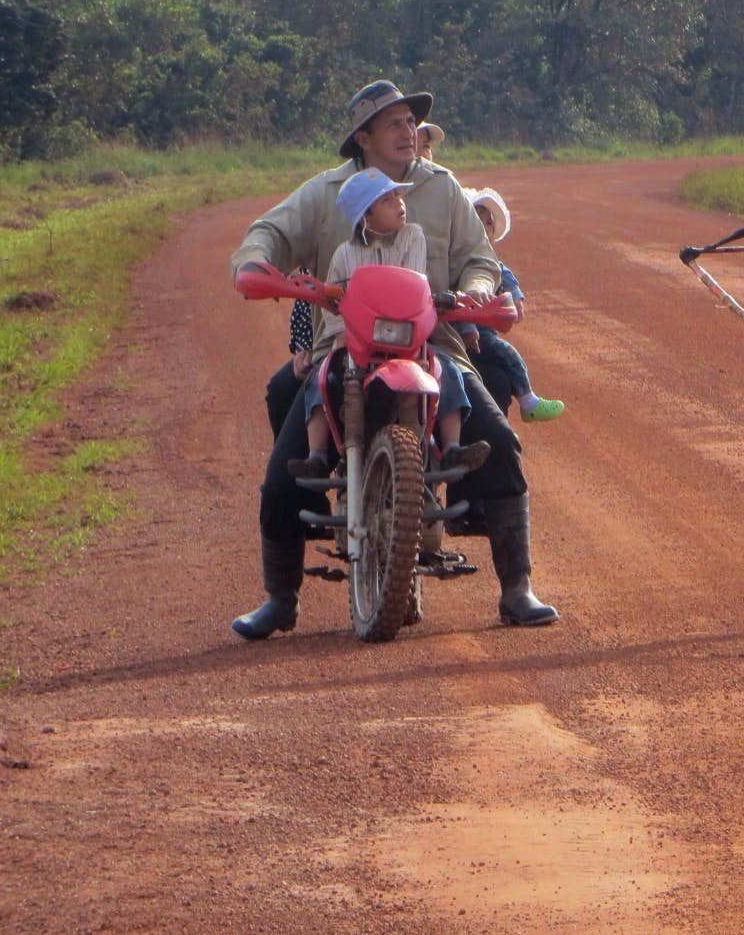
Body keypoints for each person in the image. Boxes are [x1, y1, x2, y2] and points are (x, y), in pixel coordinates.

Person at [229, 80, 559, 639]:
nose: (409, 133)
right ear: (363, 137)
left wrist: (476, 291)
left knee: (499, 440)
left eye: (412, 123)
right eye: (394, 124)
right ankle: (280, 599)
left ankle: (516, 588)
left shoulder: (442, 187)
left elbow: (480, 259)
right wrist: (258, 260)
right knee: (282, 466)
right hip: (344, 344)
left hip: (432, 343)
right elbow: (268, 233)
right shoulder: (324, 192)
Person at [285, 166, 491, 480]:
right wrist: (340, 333)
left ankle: (451, 447)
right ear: (365, 213)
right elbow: (331, 301)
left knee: (446, 370)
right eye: (388, 199)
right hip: (360, 342)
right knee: (321, 377)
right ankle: (317, 454)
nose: (400, 203)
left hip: (408, 338)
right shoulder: (345, 254)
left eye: (399, 195)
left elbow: (413, 283)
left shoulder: (413, 237)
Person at [457, 187, 565, 424]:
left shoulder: (491, 261)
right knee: (507, 354)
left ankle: (511, 416)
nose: (484, 227)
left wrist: (516, 295)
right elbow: (459, 295)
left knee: (500, 371)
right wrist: (467, 328)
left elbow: (503, 273)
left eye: (488, 223)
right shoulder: (457, 259)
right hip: (463, 334)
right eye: (477, 221)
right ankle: (528, 401)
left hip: (483, 331)